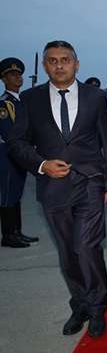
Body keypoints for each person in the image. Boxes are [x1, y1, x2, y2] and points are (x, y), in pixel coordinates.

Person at [8, 40, 107, 338]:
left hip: (89, 183)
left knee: (86, 246)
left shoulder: (96, 96)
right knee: (67, 251)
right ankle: (80, 304)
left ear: (76, 64)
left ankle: (97, 309)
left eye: (65, 59)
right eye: (53, 60)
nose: (59, 65)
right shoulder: (30, 99)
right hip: (53, 186)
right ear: (44, 66)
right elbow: (16, 142)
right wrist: (41, 164)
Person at [0, 57, 38, 248]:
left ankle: (16, 232)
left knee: (16, 194)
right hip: (8, 155)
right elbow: (9, 134)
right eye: (12, 74)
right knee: (8, 195)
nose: (18, 77)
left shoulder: (20, 101)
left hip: (20, 154)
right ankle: (8, 236)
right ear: (4, 79)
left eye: (19, 74)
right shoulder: (4, 104)